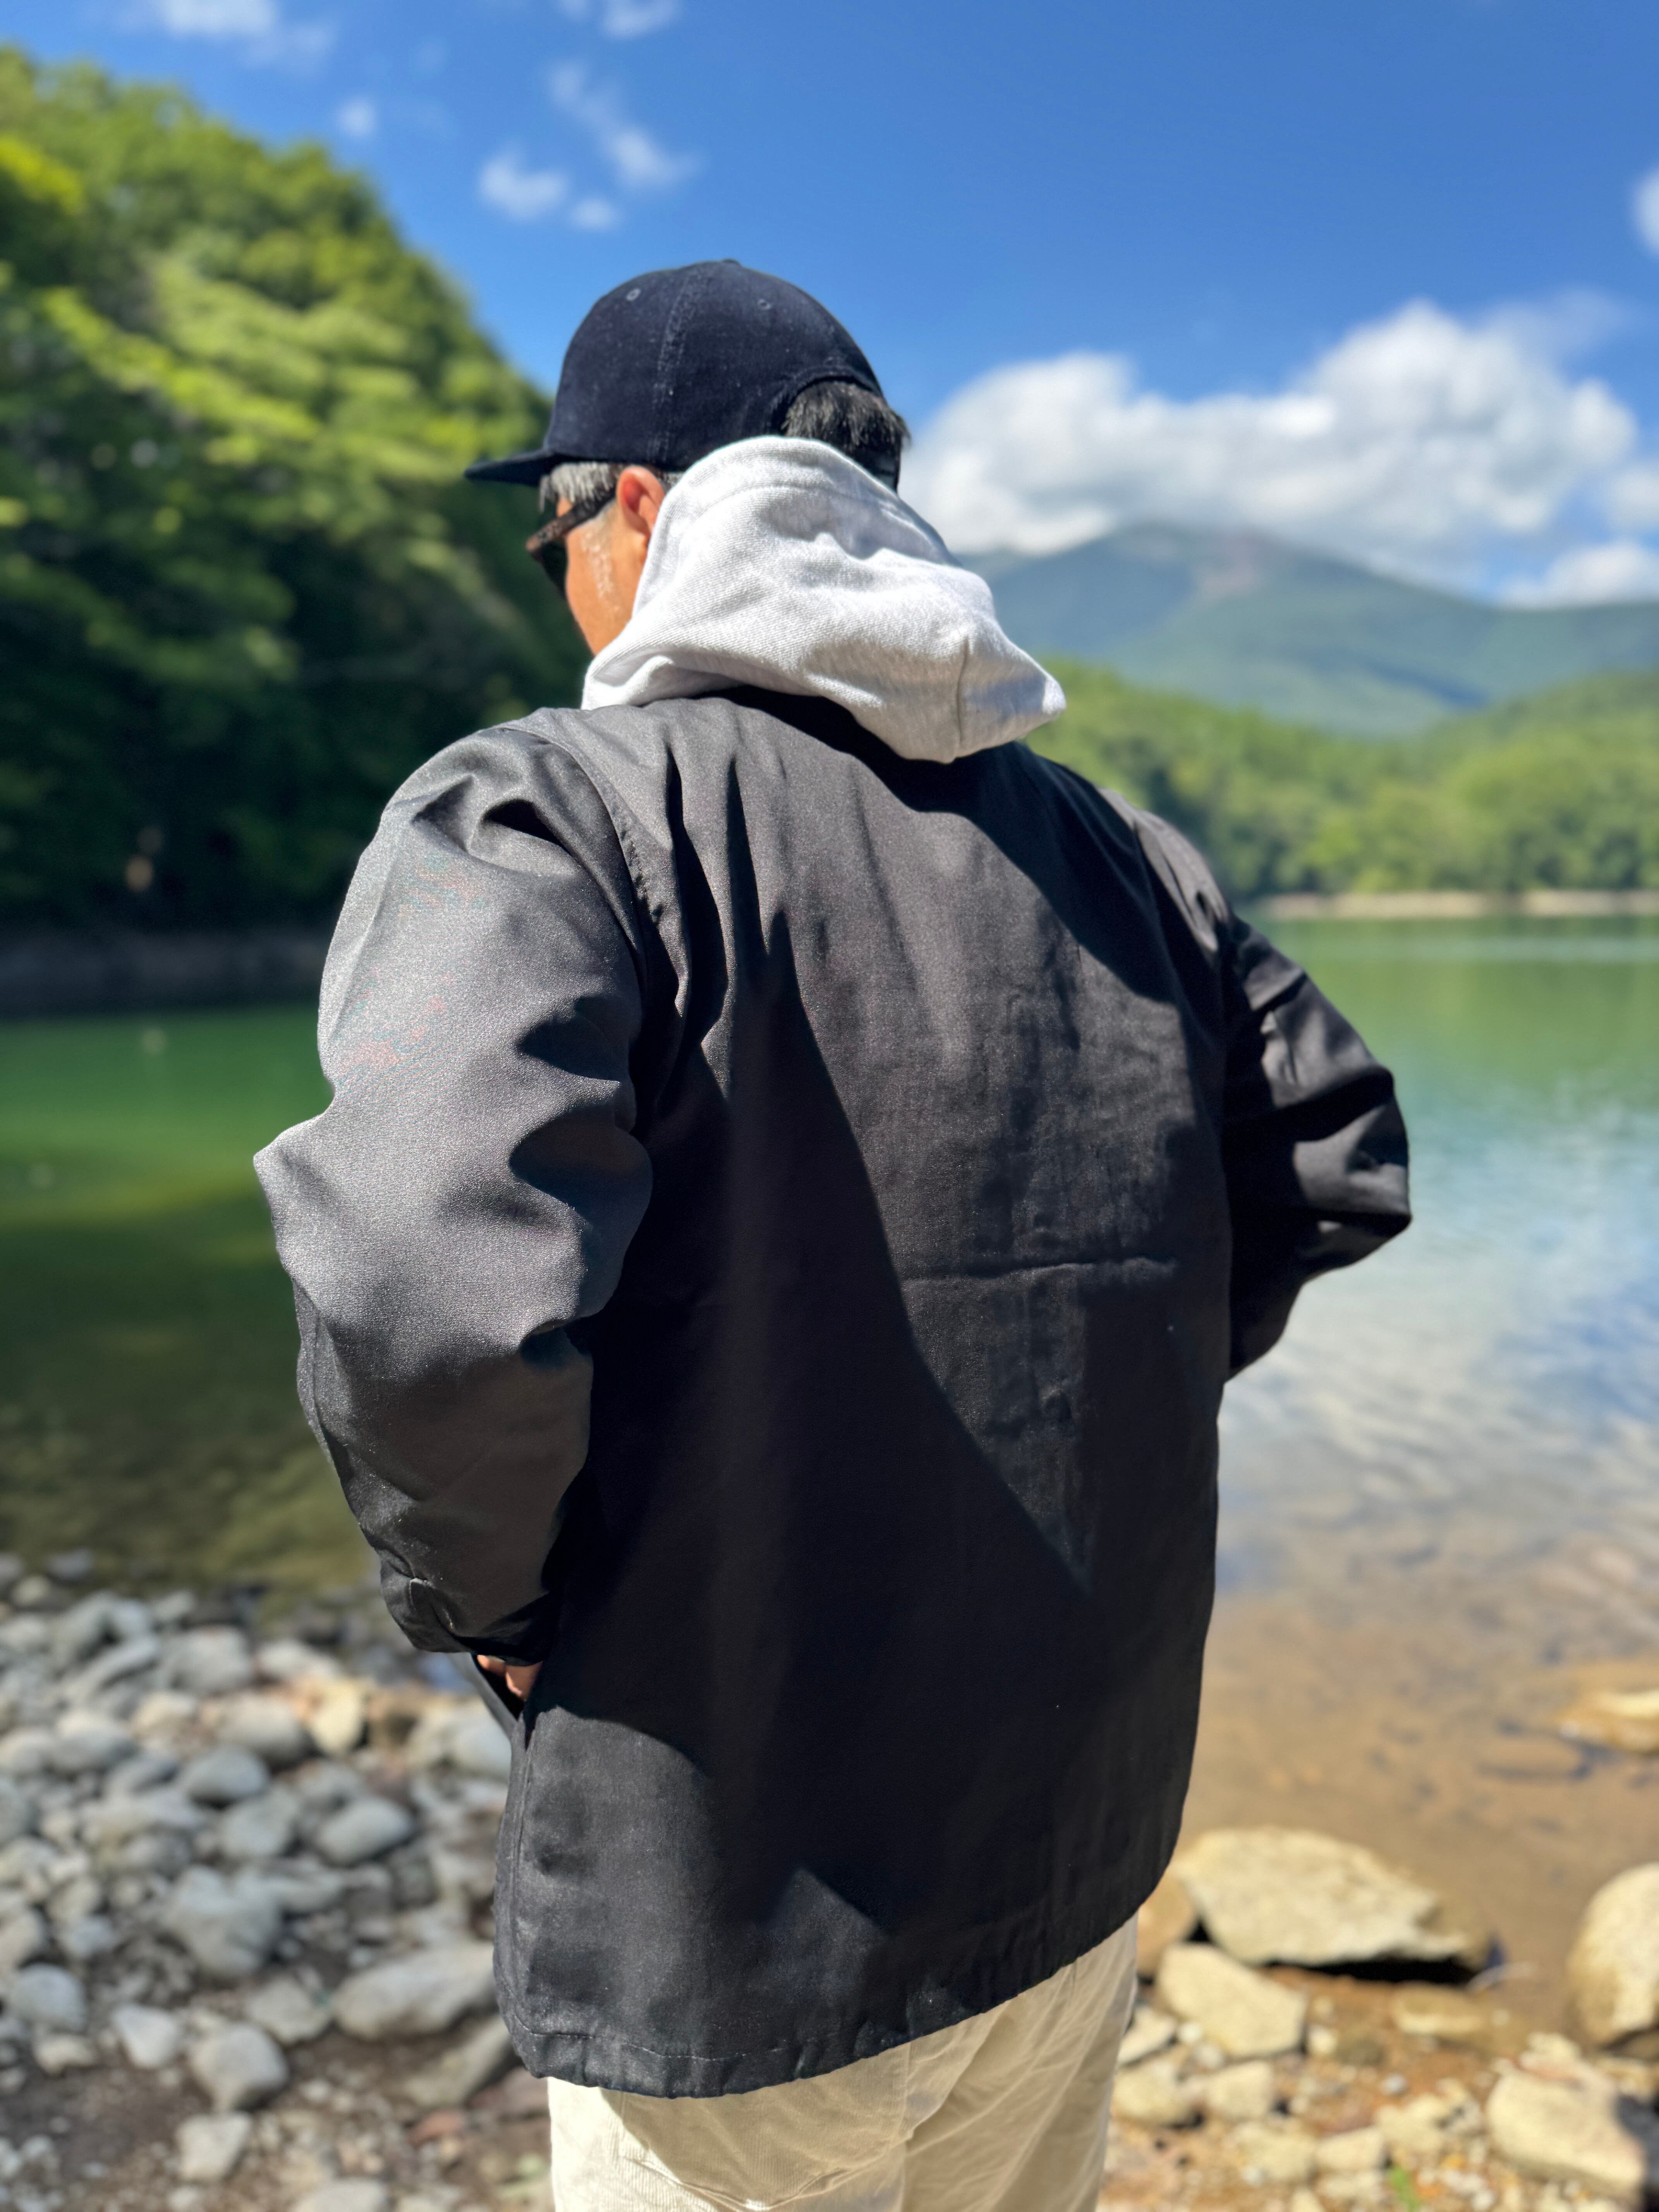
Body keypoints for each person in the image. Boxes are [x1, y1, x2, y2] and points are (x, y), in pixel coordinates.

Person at [256, 260, 1410, 2212]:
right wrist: (1102, 1403)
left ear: (637, 507)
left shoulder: (542, 815)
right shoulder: (1127, 858)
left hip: (735, 1910)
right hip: (1074, 1867)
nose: (558, 583)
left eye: (553, 531)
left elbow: (420, 1293)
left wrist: (496, 1612)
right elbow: (1330, 1153)